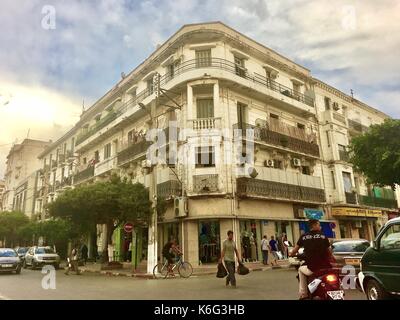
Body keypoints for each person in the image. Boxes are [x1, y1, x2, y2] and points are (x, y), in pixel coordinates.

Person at [289, 219, 333, 300]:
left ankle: (304, 294)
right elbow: (329, 250)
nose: (320, 227)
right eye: (319, 225)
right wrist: (331, 258)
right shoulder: (323, 236)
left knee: (300, 269)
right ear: (314, 225)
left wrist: (291, 254)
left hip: (313, 267)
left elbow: (295, 250)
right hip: (325, 266)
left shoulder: (304, 236)